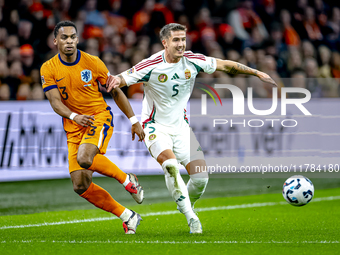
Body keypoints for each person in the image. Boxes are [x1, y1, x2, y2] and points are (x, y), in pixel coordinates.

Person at [106, 23, 277, 234]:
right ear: (165, 43)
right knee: (169, 164)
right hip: (155, 127)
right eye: (176, 40)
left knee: (201, 179)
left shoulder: (193, 61)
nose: (181, 44)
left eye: (183, 40)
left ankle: (185, 204)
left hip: (181, 129)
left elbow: (225, 66)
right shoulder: (150, 65)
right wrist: (133, 120)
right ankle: (191, 218)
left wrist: (257, 73)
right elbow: (117, 82)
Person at [40, 21, 145, 234]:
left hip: (99, 117)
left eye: (72, 37)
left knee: (85, 158)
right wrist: (73, 116)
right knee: (80, 185)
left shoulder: (93, 62)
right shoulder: (48, 68)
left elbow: (115, 91)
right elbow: (54, 101)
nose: (68, 41)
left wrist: (134, 120)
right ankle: (128, 216)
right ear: (55, 41)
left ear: (77, 39)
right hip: (74, 124)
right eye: (64, 37)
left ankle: (127, 179)